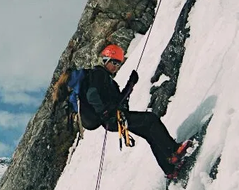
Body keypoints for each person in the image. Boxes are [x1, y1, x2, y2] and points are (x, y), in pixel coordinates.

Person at [78, 44, 190, 177]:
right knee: (151, 119)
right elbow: (92, 94)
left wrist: (130, 84)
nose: (116, 67)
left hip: (115, 118)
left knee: (149, 133)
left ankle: (170, 170)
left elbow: (119, 101)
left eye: (118, 64)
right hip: (113, 118)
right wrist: (104, 112)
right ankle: (173, 151)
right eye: (114, 62)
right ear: (105, 60)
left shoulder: (109, 81)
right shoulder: (98, 74)